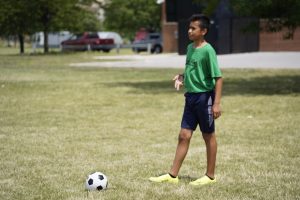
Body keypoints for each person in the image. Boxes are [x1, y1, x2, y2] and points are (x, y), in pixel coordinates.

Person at [149, 14, 223, 186]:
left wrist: (216, 104)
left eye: (193, 28)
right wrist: (182, 77)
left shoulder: (208, 50)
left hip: (205, 98)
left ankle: (210, 176)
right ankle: (172, 175)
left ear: (203, 31)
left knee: (208, 135)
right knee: (184, 135)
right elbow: (193, 70)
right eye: (189, 28)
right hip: (190, 98)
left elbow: (218, 78)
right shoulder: (190, 48)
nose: (189, 31)